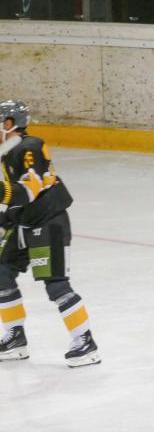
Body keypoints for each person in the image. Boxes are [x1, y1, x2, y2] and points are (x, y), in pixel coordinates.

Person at [0, 100, 100, 367]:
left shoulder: (28, 147)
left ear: (10, 124)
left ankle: (85, 342)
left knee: (56, 285)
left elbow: (29, 191)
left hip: (48, 223)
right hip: (25, 221)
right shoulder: (6, 152)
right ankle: (15, 339)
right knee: (1, 270)